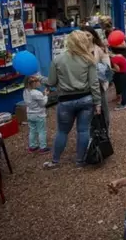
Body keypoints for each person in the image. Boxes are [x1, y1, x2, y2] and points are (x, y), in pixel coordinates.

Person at [44, 30, 101, 169]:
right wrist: (98, 102)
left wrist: (40, 79)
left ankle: (55, 161)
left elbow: (51, 82)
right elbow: (94, 83)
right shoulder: (89, 59)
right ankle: (79, 161)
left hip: (65, 100)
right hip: (86, 99)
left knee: (62, 131)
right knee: (83, 131)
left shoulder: (58, 59)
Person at [82, 25, 111, 125]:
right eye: (83, 35)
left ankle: (105, 129)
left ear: (93, 36)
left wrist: (94, 67)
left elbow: (107, 67)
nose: (86, 38)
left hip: (98, 83)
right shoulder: (78, 50)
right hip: (83, 84)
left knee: (103, 108)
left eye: (88, 35)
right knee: (86, 110)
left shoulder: (99, 49)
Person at [23, 75, 50, 153]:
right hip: (39, 114)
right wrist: (45, 95)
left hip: (29, 114)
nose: (40, 82)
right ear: (34, 83)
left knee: (32, 130)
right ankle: (43, 147)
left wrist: (43, 95)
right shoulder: (36, 93)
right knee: (42, 131)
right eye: (38, 81)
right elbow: (43, 103)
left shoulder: (25, 91)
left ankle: (33, 146)